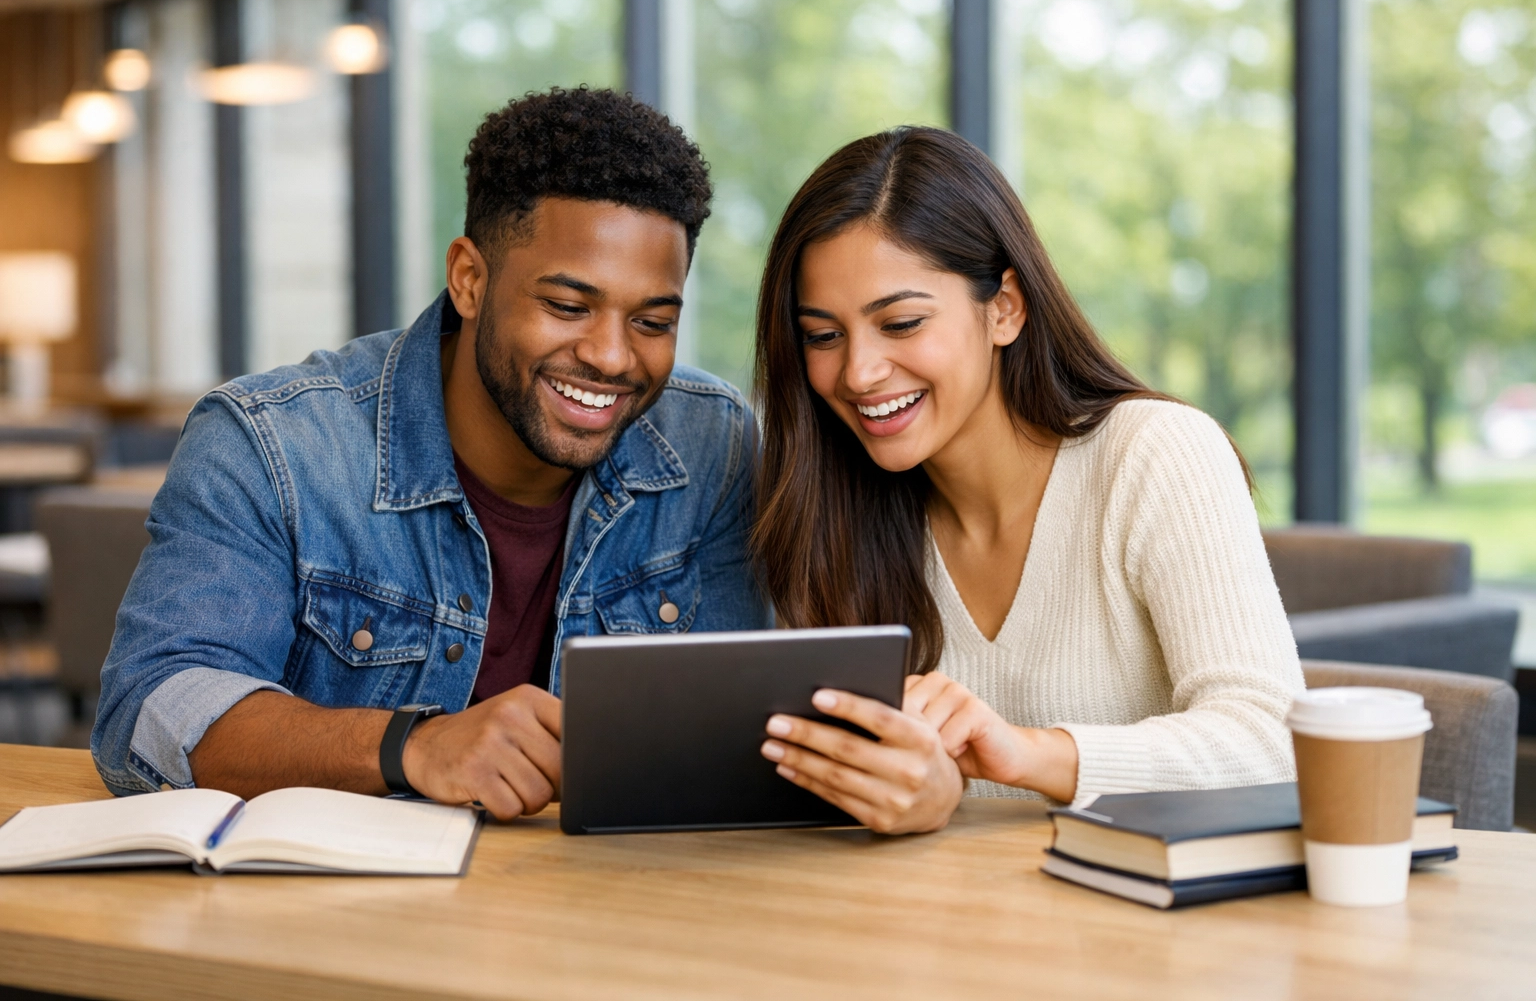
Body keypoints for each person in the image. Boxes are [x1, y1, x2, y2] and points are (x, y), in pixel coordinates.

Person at [93, 88, 770, 818]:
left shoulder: (714, 442)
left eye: (651, 320)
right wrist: (411, 748)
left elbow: (726, 728)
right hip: (322, 917)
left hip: (592, 906)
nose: (611, 357)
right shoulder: (270, 443)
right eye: (568, 307)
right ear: (470, 279)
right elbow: (153, 707)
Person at [751, 127, 1304, 835]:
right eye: (823, 337)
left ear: (1004, 308)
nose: (858, 372)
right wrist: (913, 793)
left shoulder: (1154, 455)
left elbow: (1275, 742)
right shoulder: (833, 513)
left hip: (1155, 933)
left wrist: (1029, 754)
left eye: (901, 321)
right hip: (947, 932)